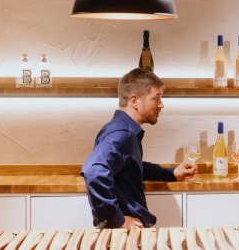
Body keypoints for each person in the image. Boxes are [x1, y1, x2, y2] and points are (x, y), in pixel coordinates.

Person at [82, 68, 196, 229]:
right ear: (135, 101)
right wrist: (117, 220)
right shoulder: (122, 133)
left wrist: (171, 173)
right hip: (123, 233)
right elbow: (93, 171)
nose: (161, 105)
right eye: (156, 98)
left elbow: (132, 166)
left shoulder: (124, 130)